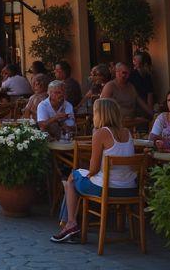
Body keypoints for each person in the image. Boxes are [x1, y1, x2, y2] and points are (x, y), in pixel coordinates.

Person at [51, 98, 139, 243]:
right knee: (73, 180)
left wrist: (86, 173)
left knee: (71, 178)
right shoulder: (127, 133)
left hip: (107, 189)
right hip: (129, 189)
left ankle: (70, 224)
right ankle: (68, 224)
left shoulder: (100, 133)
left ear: (100, 114)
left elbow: (93, 169)